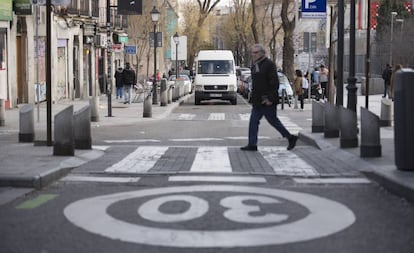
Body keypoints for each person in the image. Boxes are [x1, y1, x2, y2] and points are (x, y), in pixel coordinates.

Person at [240, 44, 298, 151]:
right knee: (253, 122)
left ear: (262, 53)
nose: (254, 55)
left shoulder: (269, 64)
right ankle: (252, 144)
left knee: (273, 121)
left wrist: (270, 98)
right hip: (257, 100)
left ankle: (290, 137)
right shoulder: (254, 65)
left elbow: (274, 83)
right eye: (252, 52)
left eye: (256, 52)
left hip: (267, 100)